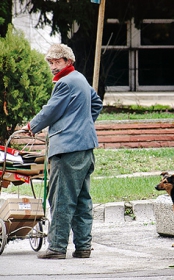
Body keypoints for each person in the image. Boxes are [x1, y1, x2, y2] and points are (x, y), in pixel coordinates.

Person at [22, 43, 103, 259]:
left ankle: (57, 248)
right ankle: (83, 247)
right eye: (50, 62)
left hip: (68, 150)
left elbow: (50, 110)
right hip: (85, 147)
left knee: (61, 199)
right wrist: (83, 124)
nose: (53, 66)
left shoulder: (65, 83)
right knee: (82, 200)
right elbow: (97, 104)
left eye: (57, 62)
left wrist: (31, 126)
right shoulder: (80, 79)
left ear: (68, 61)